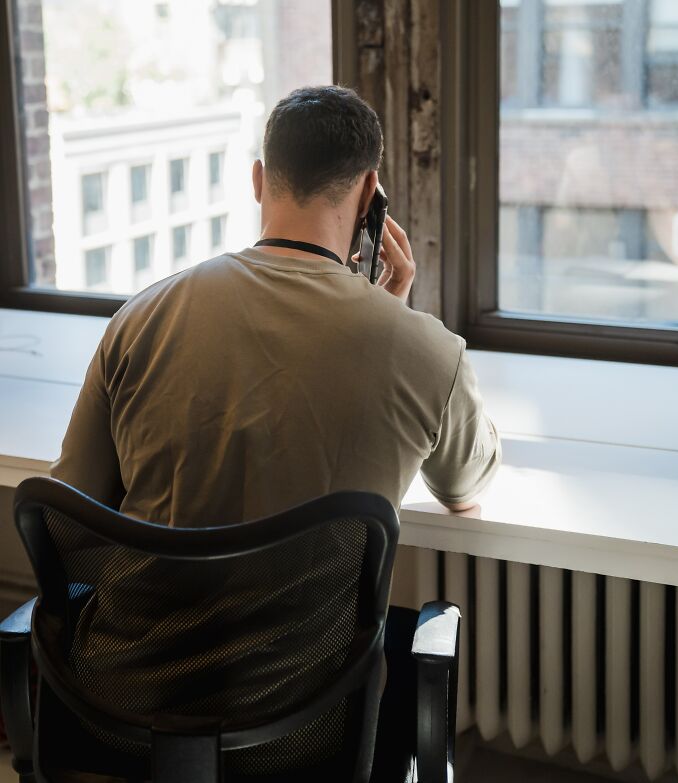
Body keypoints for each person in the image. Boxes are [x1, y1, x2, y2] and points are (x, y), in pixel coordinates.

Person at [50, 85, 500, 777]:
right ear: (371, 192)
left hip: (123, 712)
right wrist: (392, 320)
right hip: (304, 731)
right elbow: (467, 489)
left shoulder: (142, 317)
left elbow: (67, 518)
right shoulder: (425, 351)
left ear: (259, 180)